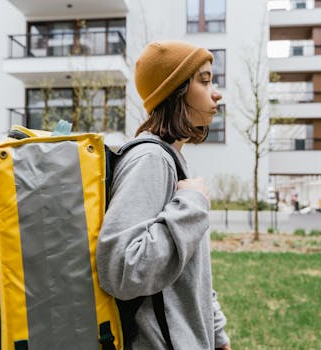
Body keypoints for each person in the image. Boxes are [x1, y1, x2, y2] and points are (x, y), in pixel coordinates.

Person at [96, 40, 231, 350]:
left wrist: (216, 334)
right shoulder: (150, 160)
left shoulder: (172, 159)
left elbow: (189, 271)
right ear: (176, 91)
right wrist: (191, 206)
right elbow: (121, 270)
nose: (216, 92)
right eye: (205, 80)